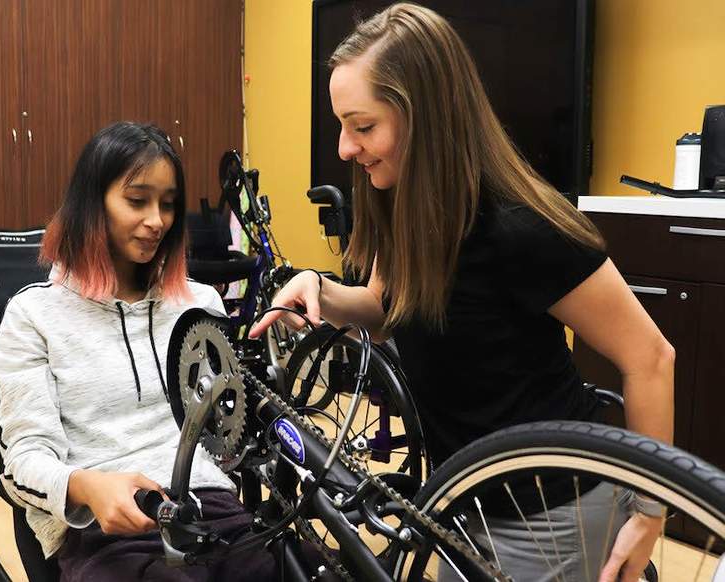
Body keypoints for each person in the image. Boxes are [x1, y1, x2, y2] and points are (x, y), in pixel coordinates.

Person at [250, 4, 674, 582]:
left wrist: (650, 514)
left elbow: (650, 358)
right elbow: (382, 308)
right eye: (342, 126)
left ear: (424, 117)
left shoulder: (518, 226)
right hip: (462, 498)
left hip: (550, 512)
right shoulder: (403, 202)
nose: (346, 148)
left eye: (363, 126)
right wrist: (319, 290)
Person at [0, 122, 277, 581]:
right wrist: (87, 486)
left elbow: (229, 423)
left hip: (213, 508)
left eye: (168, 204)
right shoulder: (34, 316)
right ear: (92, 204)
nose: (157, 221)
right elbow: (23, 463)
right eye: (137, 200)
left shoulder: (199, 304)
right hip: (107, 530)